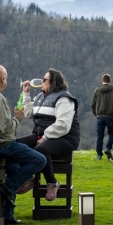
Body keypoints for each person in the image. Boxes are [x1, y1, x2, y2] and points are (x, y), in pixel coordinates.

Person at [0, 65, 47, 225]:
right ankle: (9, 186)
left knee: (14, 169)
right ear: (3, 79)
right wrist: (18, 117)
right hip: (1, 145)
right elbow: (6, 128)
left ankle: (7, 215)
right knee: (40, 160)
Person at [18, 68, 81, 201]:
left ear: (53, 82)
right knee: (16, 145)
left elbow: (63, 125)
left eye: (45, 80)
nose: (42, 82)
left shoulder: (64, 98)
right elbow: (29, 114)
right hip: (41, 134)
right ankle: (28, 177)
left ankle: (52, 183)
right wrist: (26, 94)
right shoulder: (40, 96)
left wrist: (46, 137)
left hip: (65, 137)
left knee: (41, 149)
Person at [90, 74, 113, 160]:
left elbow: (92, 104)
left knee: (100, 136)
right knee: (112, 134)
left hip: (100, 117)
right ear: (110, 81)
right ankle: (108, 148)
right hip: (110, 116)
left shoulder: (97, 90)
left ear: (102, 80)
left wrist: (96, 114)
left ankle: (99, 154)